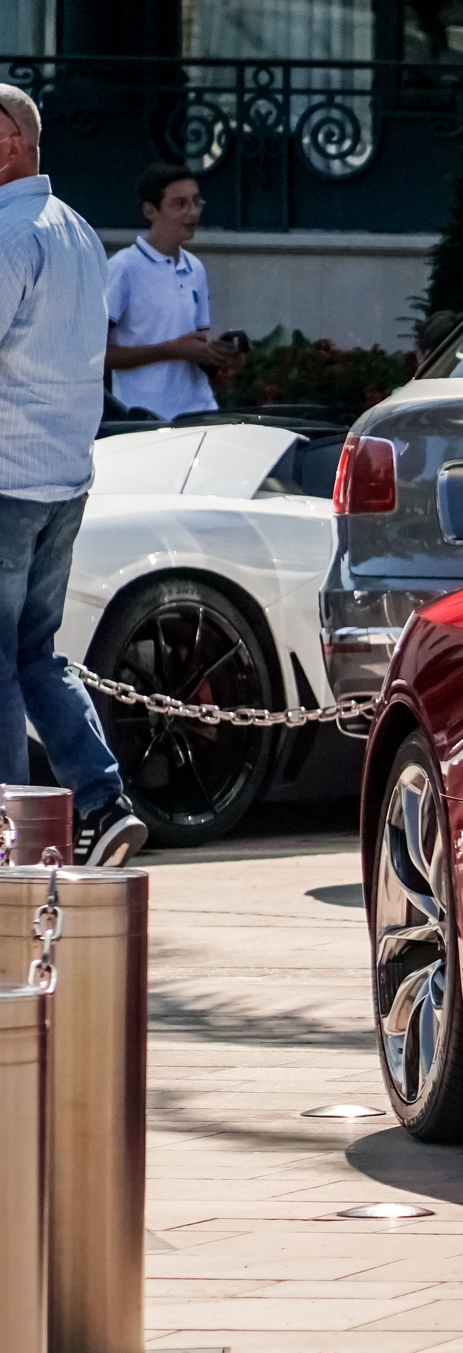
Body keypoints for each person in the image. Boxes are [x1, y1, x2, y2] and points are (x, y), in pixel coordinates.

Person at [0, 86, 146, 864]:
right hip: (63, 475)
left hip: (6, 478)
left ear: (8, 144)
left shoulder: (7, 236)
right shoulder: (80, 231)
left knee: (3, 656)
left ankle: (6, 834)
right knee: (37, 652)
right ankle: (102, 796)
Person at [103, 162, 233, 422]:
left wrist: (215, 355)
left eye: (197, 202)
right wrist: (172, 350)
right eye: (180, 204)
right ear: (150, 211)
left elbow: (195, 343)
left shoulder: (195, 268)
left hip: (200, 411)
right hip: (144, 417)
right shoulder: (123, 267)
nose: (193, 212)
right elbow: (98, 354)